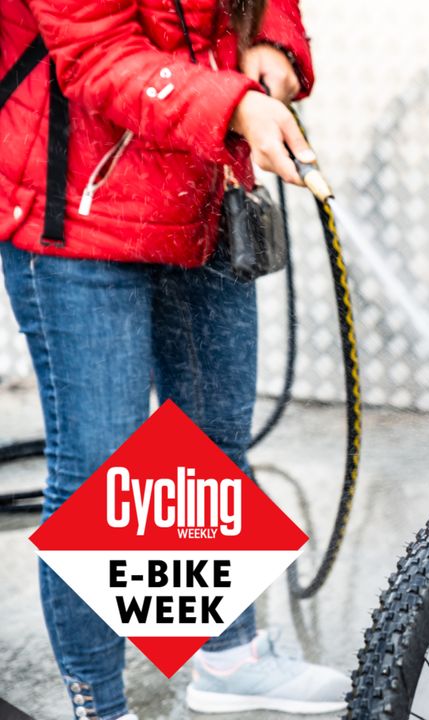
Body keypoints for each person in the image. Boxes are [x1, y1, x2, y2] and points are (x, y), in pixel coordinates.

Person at [0, 0, 348, 717]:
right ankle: (97, 704)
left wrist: (274, 45)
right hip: (77, 212)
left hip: (199, 184)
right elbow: (97, 56)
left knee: (208, 446)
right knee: (101, 467)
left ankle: (229, 658)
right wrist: (234, 106)